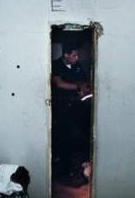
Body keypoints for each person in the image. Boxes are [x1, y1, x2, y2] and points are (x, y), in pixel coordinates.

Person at [51, 42, 92, 187]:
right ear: (65, 55)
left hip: (78, 108)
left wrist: (84, 87)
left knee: (80, 139)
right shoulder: (55, 65)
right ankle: (63, 173)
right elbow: (59, 84)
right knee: (63, 141)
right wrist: (77, 86)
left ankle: (78, 170)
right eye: (74, 55)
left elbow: (86, 83)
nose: (77, 57)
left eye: (78, 55)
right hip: (61, 110)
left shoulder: (78, 66)